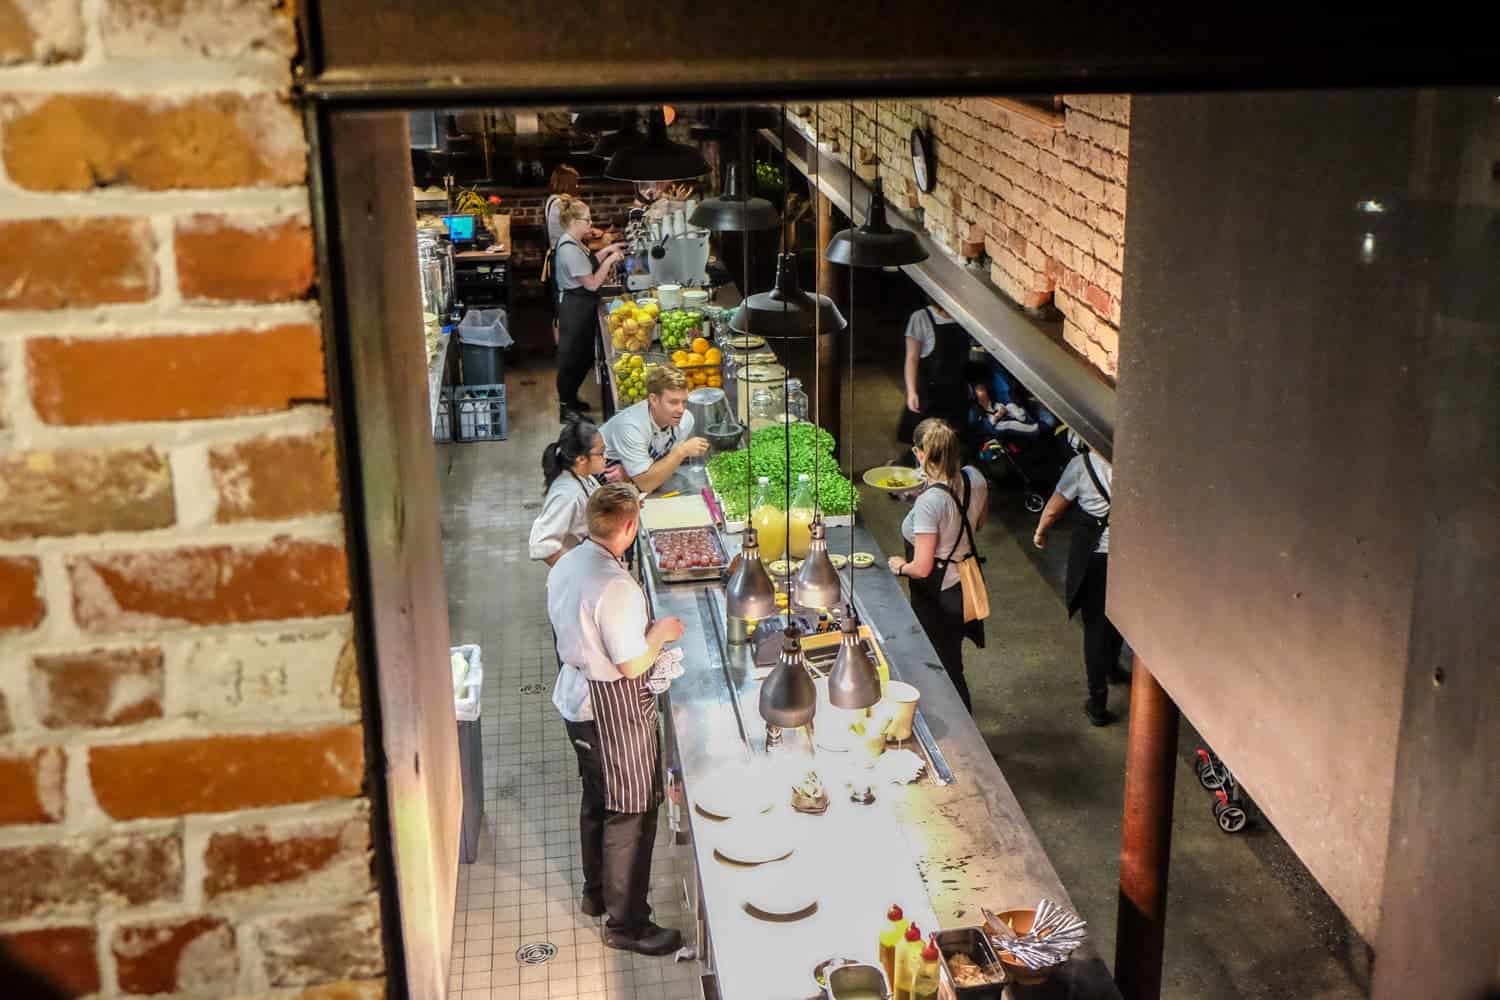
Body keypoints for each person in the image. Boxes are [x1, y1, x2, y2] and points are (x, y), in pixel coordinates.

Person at [548, 484, 686, 956]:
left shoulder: (569, 562)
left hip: (577, 701)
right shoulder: (617, 586)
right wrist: (662, 634)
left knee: (597, 798)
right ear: (629, 527)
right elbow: (632, 665)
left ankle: (597, 895)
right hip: (613, 711)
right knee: (630, 814)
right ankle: (627, 925)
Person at [887, 419, 988, 712]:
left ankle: (963, 736)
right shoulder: (975, 478)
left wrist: (898, 565)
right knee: (952, 660)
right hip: (963, 584)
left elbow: (921, 567)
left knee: (945, 668)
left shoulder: (929, 503)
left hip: (937, 595)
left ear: (920, 454)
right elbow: (977, 522)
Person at [1033, 432, 1127, 726]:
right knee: (1123, 618)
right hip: (1130, 558)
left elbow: (1054, 507)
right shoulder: (1134, 462)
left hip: (1095, 558)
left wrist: (1041, 531)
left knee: (1095, 626)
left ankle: (1097, 701)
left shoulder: (1081, 465)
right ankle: (1112, 667)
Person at [554, 198, 626, 422]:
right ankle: (566, 409)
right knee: (571, 357)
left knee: (583, 356)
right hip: (575, 307)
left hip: (581, 305)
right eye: (587, 219)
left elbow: (589, 262)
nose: (591, 223)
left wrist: (607, 250)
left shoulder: (574, 242)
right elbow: (592, 282)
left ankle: (572, 400)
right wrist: (611, 259)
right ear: (574, 222)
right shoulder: (569, 249)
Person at [599, 365, 709, 494]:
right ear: (654, 399)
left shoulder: (686, 420)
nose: (681, 410)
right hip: (604, 484)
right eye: (673, 402)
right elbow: (646, 484)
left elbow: (665, 466)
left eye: (684, 402)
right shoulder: (631, 426)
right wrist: (682, 451)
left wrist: (631, 474)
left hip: (637, 479)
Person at [529, 419, 606, 567]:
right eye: (601, 453)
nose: (606, 457)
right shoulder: (567, 494)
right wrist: (576, 571)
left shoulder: (583, 476)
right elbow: (542, 544)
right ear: (582, 459)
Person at [898, 301, 972, 454]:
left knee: (953, 445)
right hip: (929, 394)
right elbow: (912, 358)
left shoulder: (966, 316)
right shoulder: (921, 317)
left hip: (956, 393)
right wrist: (912, 392)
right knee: (925, 445)